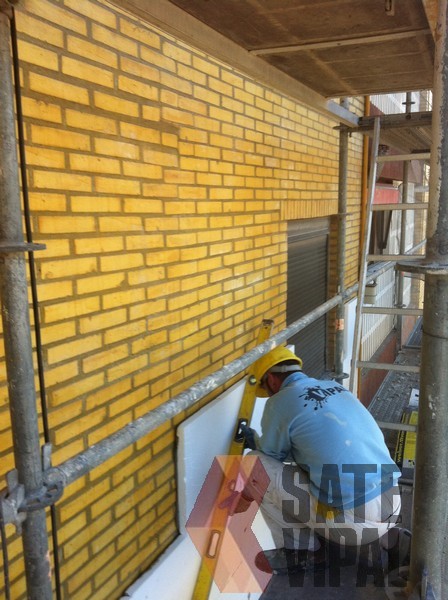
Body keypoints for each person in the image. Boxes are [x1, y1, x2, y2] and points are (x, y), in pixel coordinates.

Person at [235, 346, 404, 575]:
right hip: (393, 502)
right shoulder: (335, 387)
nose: (269, 394)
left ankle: (301, 551)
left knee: (253, 464)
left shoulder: (280, 401)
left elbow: (269, 460)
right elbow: (319, 446)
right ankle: (393, 539)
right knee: (334, 474)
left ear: (272, 379)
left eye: (266, 388)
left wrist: (245, 497)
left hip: (355, 524)